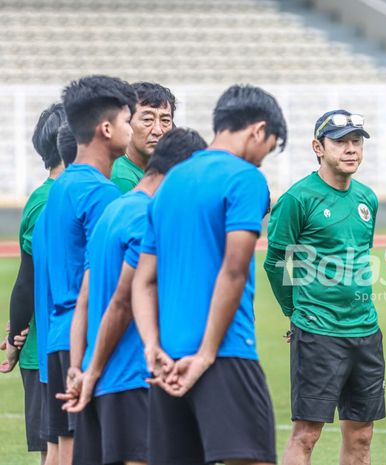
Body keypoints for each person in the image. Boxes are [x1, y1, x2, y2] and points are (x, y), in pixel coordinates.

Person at [131, 85, 286, 465]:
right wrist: (206, 354)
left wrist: (152, 348)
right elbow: (234, 270)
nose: (262, 161)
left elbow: (143, 280)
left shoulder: (169, 184)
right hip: (225, 353)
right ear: (258, 130)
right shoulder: (245, 178)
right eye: (269, 149)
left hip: (167, 361)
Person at [57, 127, 206, 465]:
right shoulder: (147, 216)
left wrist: (79, 368)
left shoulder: (113, 211)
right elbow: (123, 302)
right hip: (134, 377)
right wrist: (90, 371)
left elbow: (85, 298)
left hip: (102, 381)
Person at [264, 109, 383, 465]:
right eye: (341, 141)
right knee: (307, 433)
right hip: (318, 332)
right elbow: (275, 263)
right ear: (318, 146)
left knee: (362, 435)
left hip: (366, 330)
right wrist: (294, 312)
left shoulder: (367, 199)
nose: (351, 149)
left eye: (356, 141)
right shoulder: (298, 199)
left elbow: (361, 255)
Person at [44, 75, 136, 465]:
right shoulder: (101, 194)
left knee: (69, 452)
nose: (132, 129)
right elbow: (108, 279)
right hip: (86, 337)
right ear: (106, 128)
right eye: (129, 120)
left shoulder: (61, 187)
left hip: (58, 336)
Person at [1, 102, 66, 465]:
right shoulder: (50, 201)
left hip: (45, 346)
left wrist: (15, 334)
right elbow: (28, 282)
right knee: (57, 448)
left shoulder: (46, 196)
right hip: (48, 349)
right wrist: (16, 337)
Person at [111, 82, 175, 192]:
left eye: (165, 121)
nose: (157, 130)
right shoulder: (122, 178)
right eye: (147, 120)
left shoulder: (165, 170)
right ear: (127, 122)